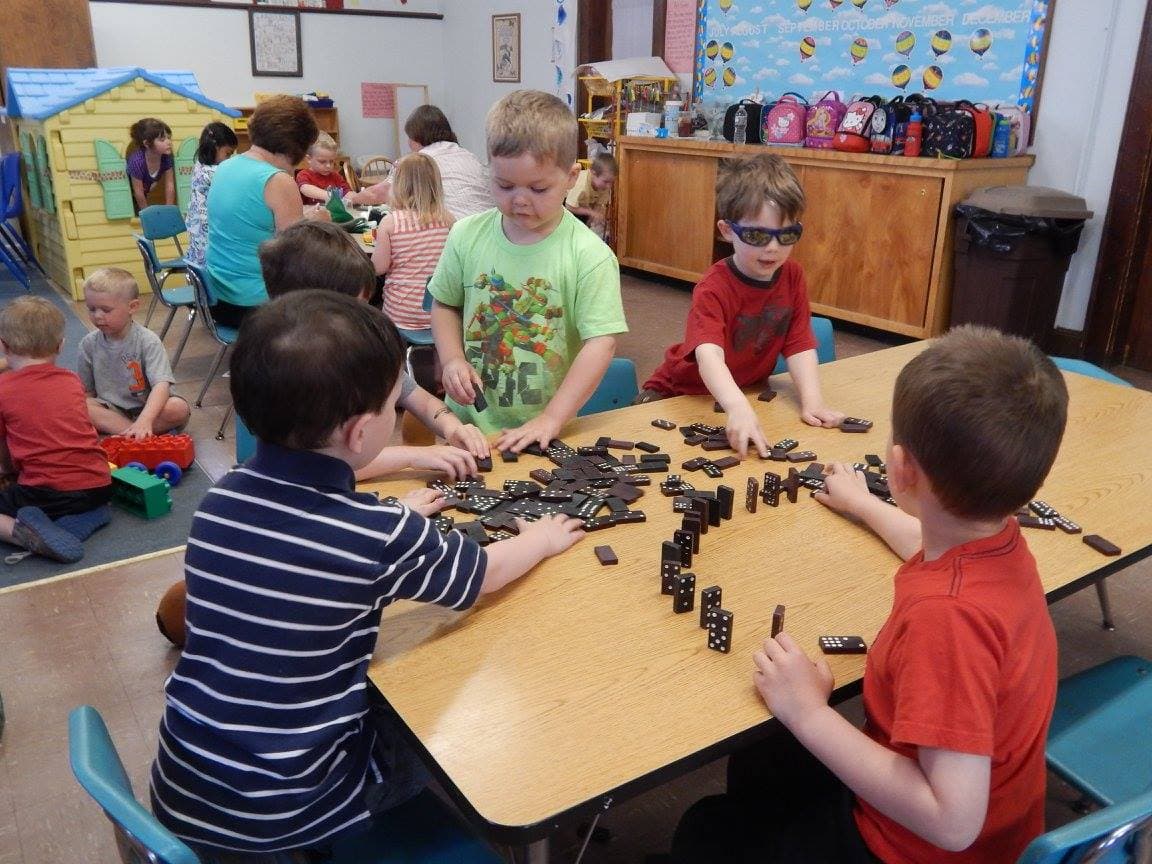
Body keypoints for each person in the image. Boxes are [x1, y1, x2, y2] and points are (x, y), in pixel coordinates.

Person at [149, 291, 584, 858]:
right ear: (360, 434)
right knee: (437, 708)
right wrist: (541, 538)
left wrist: (395, 521)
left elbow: (305, 553)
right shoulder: (376, 533)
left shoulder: (219, 498)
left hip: (185, 788)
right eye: (392, 404)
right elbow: (481, 576)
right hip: (297, 808)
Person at [671, 325, 1069, 864]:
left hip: (914, 849)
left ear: (900, 468)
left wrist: (809, 712)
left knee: (704, 832)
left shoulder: (948, 620)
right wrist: (864, 505)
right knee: (762, 759)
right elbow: (925, 545)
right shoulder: (996, 543)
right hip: (986, 817)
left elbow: (951, 822)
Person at [429, 89, 628, 453]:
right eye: (504, 185)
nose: (519, 200)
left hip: (542, 429)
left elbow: (602, 342)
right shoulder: (465, 234)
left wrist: (552, 418)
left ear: (571, 177)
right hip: (468, 426)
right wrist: (452, 358)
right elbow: (444, 305)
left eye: (538, 188)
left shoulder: (589, 255)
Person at [636, 153, 844, 457]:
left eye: (787, 234)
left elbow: (799, 344)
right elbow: (709, 357)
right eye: (758, 235)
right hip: (680, 392)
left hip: (745, 390)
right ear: (727, 230)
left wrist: (812, 401)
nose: (773, 247)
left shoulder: (793, 276)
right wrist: (737, 406)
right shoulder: (713, 286)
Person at [258, 220, 488, 476]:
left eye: (365, 305)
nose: (364, 318)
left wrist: (452, 427)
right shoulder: (292, 372)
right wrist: (415, 455)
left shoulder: (362, 351)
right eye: (352, 309)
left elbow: (419, 401)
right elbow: (319, 468)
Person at [0, 297, 112, 564]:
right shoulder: (71, 381)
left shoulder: (3, 390)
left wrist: (8, 472)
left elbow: (4, 451)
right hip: (100, 485)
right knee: (68, 494)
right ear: (61, 346)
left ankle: (26, 535)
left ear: (4, 347)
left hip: (47, 491)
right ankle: (87, 513)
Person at [206, 95, 328, 328]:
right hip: (255, 304)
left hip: (217, 296)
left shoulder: (225, 167)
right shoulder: (277, 180)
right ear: (294, 146)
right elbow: (297, 254)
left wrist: (302, 220)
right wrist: (318, 224)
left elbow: (252, 224)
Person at [78, 268, 191, 439]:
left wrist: (145, 419)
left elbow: (162, 386)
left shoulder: (148, 341)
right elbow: (86, 392)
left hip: (148, 409)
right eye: (92, 309)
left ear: (132, 307)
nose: (98, 316)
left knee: (178, 408)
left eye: (106, 310)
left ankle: (130, 433)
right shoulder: (88, 344)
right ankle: (135, 435)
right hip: (111, 410)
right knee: (81, 406)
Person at [346, 104, 494, 219]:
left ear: (415, 138)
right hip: (488, 227)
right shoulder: (468, 155)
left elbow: (380, 193)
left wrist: (354, 197)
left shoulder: (417, 162)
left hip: (452, 232)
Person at [372, 152, 453, 330]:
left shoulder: (391, 222)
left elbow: (379, 267)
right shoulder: (447, 220)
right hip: (440, 316)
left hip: (400, 315)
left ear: (398, 186)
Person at [183, 122, 238, 269]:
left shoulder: (199, 166)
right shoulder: (215, 172)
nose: (230, 159)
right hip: (208, 234)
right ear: (214, 147)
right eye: (228, 154)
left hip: (198, 232)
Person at [126, 117, 175, 212]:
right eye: (162, 139)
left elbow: (170, 184)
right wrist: (147, 213)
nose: (169, 142)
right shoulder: (137, 162)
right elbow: (138, 192)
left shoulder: (166, 157)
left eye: (168, 138)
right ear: (147, 144)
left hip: (145, 190)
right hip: (131, 195)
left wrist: (170, 208)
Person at [566, 151, 617, 240]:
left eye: (611, 182)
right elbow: (569, 206)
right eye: (605, 181)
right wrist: (592, 213)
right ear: (593, 173)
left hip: (582, 207)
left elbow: (598, 206)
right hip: (567, 205)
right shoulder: (581, 182)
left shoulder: (604, 186)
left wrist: (594, 219)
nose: (608, 186)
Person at [296, 132, 351, 204]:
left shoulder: (336, 177)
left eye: (331, 161)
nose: (328, 166)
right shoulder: (303, 175)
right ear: (309, 159)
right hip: (312, 214)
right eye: (322, 162)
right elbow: (306, 189)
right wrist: (332, 196)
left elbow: (347, 193)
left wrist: (359, 197)